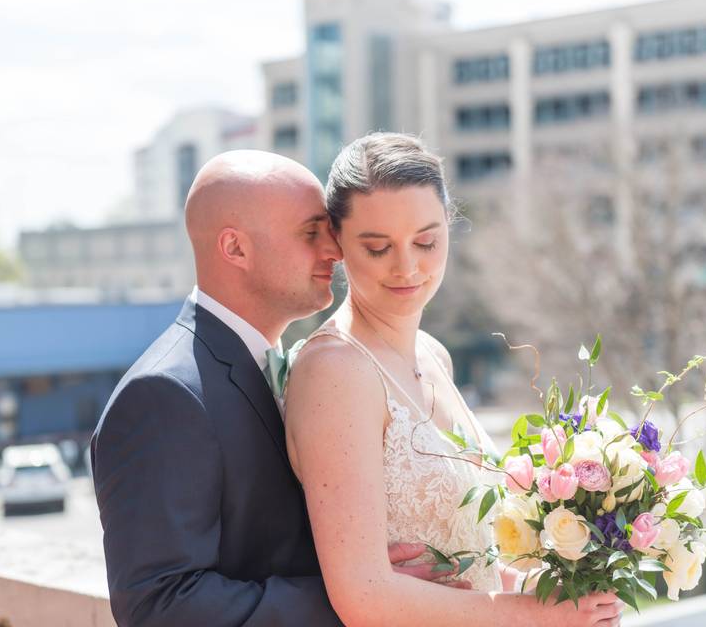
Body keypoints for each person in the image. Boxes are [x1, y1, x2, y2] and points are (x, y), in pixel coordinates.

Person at [90, 149, 466, 626]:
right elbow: (158, 605)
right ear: (235, 249)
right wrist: (354, 597)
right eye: (312, 233)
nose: (334, 252)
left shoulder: (293, 362)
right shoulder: (164, 395)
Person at [284, 133, 623, 626]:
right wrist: (533, 616)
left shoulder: (433, 354)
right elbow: (362, 595)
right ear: (336, 241)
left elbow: (476, 553)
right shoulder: (336, 369)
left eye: (426, 241)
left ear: (448, 226)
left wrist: (572, 597)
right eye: (377, 247)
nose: (407, 267)